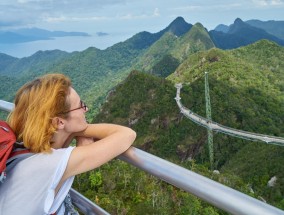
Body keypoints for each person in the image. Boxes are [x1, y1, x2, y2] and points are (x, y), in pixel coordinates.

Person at [0, 73, 136, 214]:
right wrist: (81, 131)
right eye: (80, 106)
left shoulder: (20, 150)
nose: (86, 109)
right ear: (59, 122)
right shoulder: (50, 163)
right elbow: (127, 135)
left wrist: (72, 131)